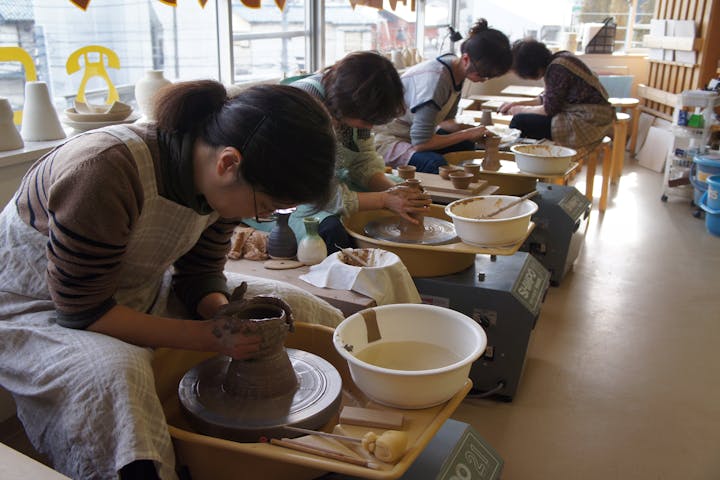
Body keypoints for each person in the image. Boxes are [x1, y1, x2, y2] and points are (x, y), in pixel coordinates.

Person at [0, 80, 346, 480]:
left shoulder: (223, 177)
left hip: (138, 286)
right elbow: (82, 310)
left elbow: (199, 274)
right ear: (229, 164)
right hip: (38, 307)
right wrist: (209, 337)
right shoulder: (103, 170)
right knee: (116, 371)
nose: (265, 216)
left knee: (298, 302)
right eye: (266, 207)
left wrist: (225, 314)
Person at [244, 51, 431, 250]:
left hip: (326, 182)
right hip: (280, 194)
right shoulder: (304, 105)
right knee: (330, 231)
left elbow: (362, 161)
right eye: (367, 121)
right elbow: (323, 194)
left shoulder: (349, 106)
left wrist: (392, 192)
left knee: (403, 189)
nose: (369, 127)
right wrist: (385, 199)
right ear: (348, 106)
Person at [374, 19, 513, 174]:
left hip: (411, 134)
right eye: (484, 75)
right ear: (466, 59)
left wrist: (473, 131)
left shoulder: (455, 71)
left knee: (466, 144)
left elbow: (446, 122)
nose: (483, 80)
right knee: (436, 165)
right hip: (388, 139)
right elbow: (421, 143)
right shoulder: (436, 81)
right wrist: (467, 133)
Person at [499, 39, 614, 149]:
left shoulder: (556, 69)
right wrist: (515, 104)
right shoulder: (560, 59)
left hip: (589, 120)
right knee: (523, 119)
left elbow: (549, 109)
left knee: (520, 122)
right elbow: (548, 98)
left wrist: (520, 110)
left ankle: (521, 161)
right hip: (591, 114)